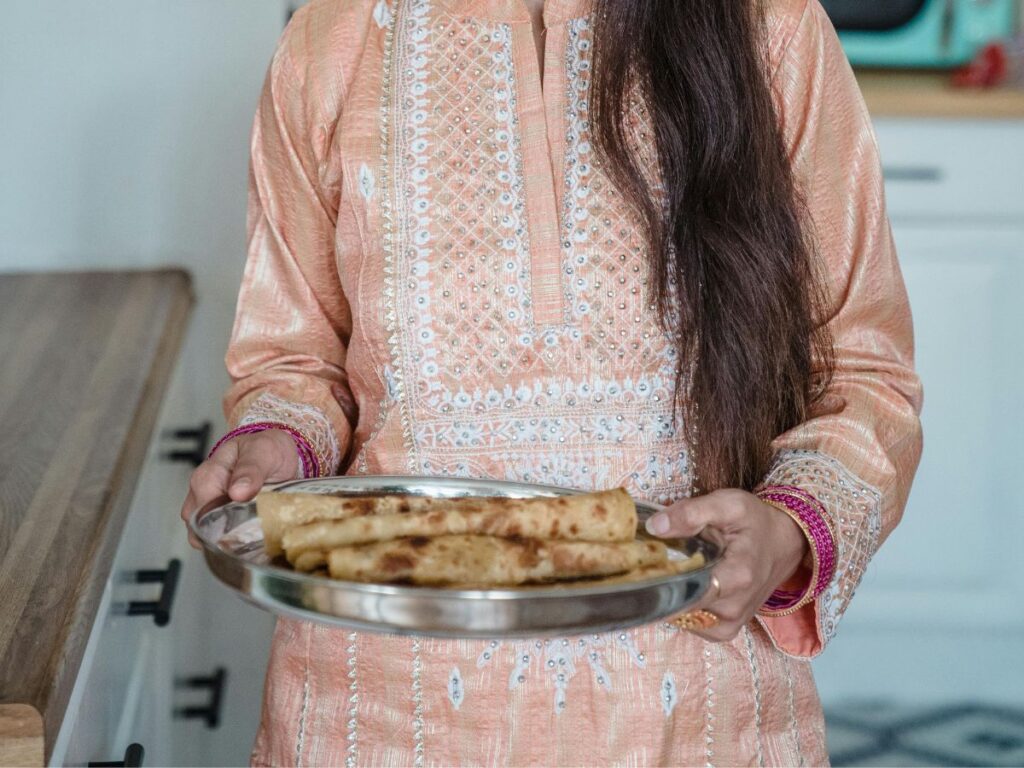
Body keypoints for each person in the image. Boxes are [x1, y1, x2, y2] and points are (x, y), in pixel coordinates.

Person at [180, 0, 923, 764]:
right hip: (379, 710)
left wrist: (788, 531)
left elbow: (866, 378)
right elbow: (296, 361)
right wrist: (276, 438)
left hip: (696, 713)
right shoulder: (330, 40)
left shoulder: (771, 26)